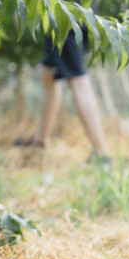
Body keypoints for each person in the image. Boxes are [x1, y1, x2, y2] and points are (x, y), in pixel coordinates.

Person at [14, 28, 111, 162]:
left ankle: (101, 153)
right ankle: (41, 140)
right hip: (78, 13)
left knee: (78, 80)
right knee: (47, 72)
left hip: (63, 15)